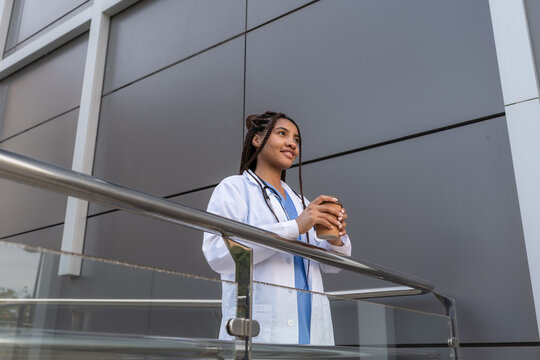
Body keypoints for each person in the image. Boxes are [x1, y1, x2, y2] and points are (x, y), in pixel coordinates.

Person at [202, 111, 352, 345]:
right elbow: (219, 256)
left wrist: (335, 239)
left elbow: (331, 267)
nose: (292, 143)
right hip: (262, 332)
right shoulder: (234, 189)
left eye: (297, 139)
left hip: (311, 334)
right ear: (257, 139)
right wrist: (295, 226)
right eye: (282, 134)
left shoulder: (300, 201)